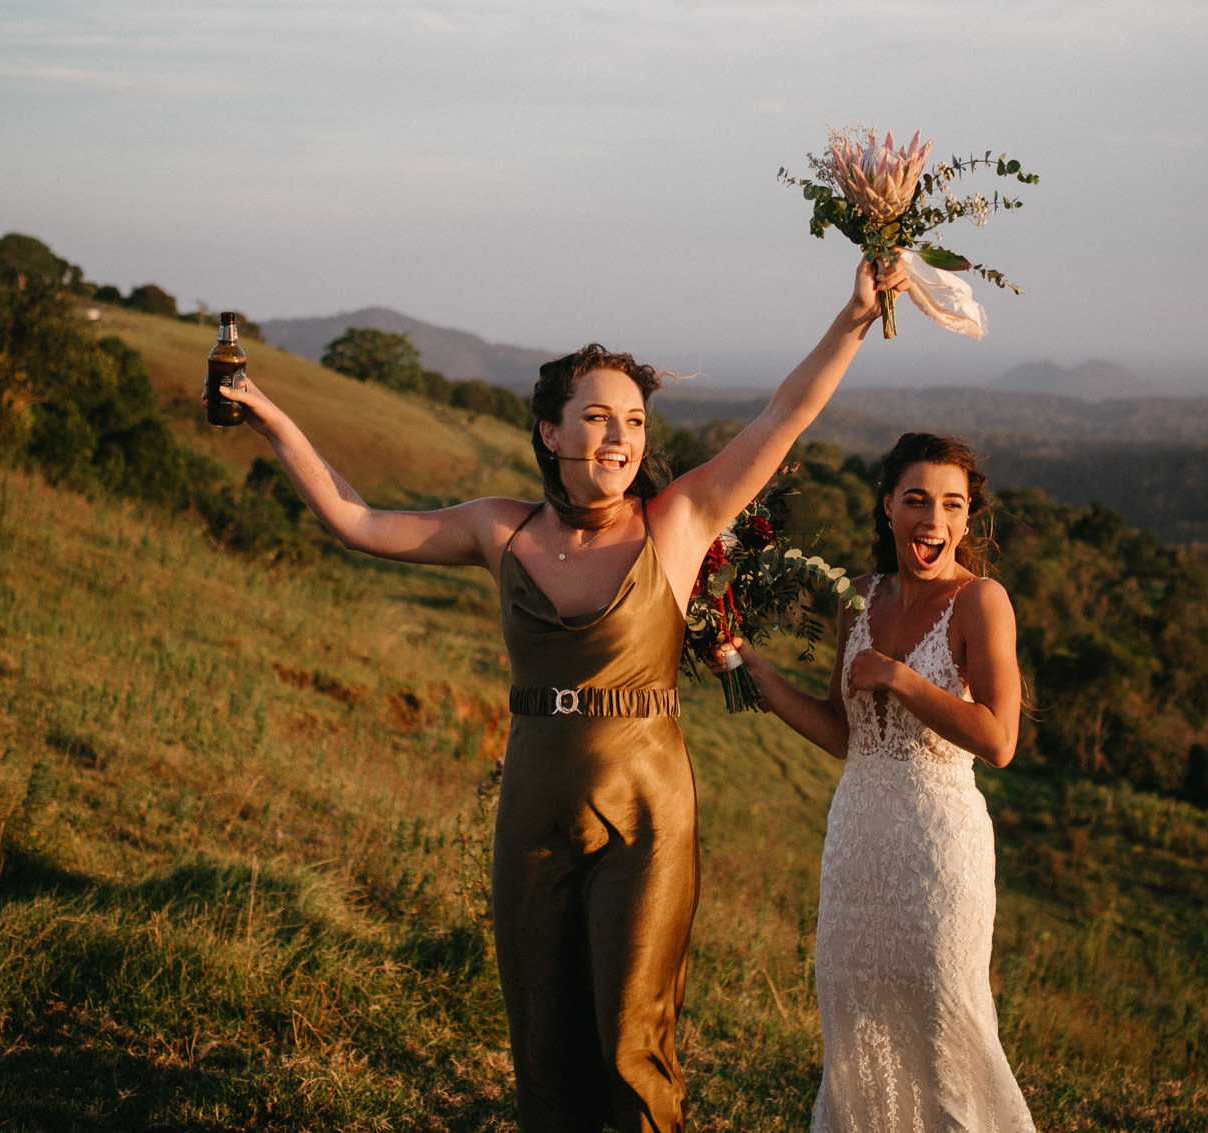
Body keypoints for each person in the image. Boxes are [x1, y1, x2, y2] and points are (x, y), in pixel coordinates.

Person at [206, 256, 907, 1133]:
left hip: (647, 811)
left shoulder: (678, 522)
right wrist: (271, 417)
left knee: (632, 1043)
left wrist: (854, 315)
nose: (620, 437)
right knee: (541, 1045)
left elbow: (785, 414)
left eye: (636, 422)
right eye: (598, 418)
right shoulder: (498, 529)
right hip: (532, 805)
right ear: (549, 431)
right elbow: (358, 521)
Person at [714, 433, 1036, 1132]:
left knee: (945, 1012)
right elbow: (840, 731)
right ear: (886, 505)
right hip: (857, 835)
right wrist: (755, 668)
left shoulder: (982, 601)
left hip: (939, 846)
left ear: (968, 518)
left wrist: (901, 677)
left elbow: (1000, 739)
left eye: (952, 504)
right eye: (915, 499)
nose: (933, 520)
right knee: (855, 1018)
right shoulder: (857, 597)